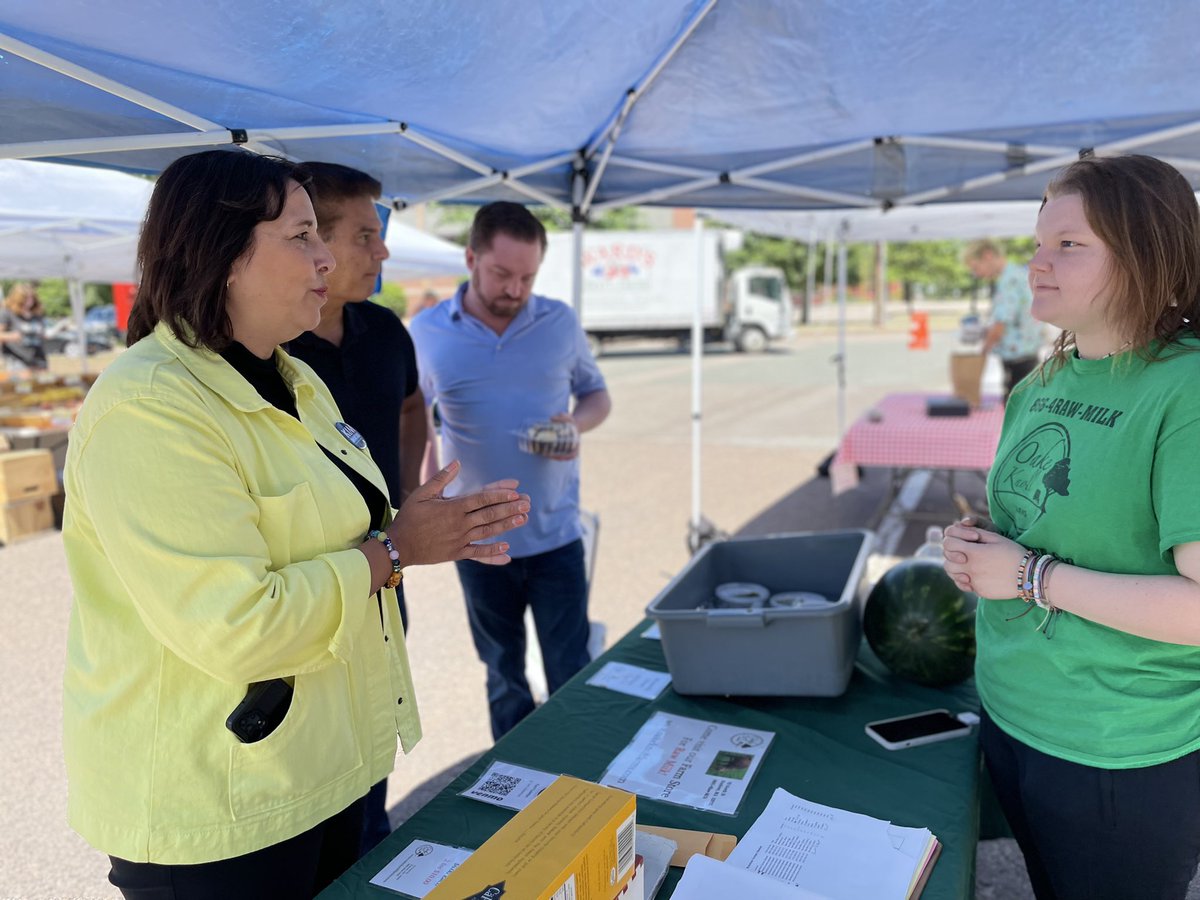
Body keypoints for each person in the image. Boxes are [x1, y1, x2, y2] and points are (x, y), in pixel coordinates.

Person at [61, 149, 530, 900]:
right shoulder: (148, 406)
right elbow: (239, 626)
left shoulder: (294, 378)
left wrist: (407, 533)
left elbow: (345, 528)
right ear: (223, 257)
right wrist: (394, 550)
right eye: (301, 236)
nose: (327, 258)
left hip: (316, 779)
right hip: (217, 811)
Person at [943, 154, 1200, 900]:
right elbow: (1052, 522)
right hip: (1013, 721)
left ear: (1146, 253)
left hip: (1117, 750)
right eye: (1036, 243)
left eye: (1069, 245)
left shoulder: (1184, 389)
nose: (1037, 265)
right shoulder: (1045, 380)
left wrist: (1030, 577)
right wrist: (987, 544)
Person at [409, 201, 612, 741]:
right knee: (504, 677)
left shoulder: (559, 322)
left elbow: (597, 395)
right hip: (476, 540)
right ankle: (517, 789)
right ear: (471, 258)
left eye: (527, 277)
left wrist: (576, 424)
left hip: (556, 536)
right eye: (502, 273)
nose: (515, 289)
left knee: (571, 671)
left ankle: (576, 779)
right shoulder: (427, 332)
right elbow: (414, 419)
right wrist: (424, 496)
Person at [286, 160, 425, 856]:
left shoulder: (385, 329)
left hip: (382, 573)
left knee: (374, 733)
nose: (383, 250)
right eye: (366, 235)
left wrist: (404, 500)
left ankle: (368, 841)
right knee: (313, 761)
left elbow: (410, 405)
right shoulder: (270, 350)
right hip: (305, 599)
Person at [965, 238, 1044, 401]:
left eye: (975, 267)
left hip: (1019, 359)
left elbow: (1001, 324)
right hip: (1028, 354)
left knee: (1013, 405)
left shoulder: (1009, 281)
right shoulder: (1018, 273)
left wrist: (984, 349)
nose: (977, 274)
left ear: (987, 256)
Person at [0, 281, 48, 370]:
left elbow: (43, 333)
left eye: (32, 298)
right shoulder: (7, 313)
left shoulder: (37, 314)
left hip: (38, 358)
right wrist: (10, 336)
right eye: (26, 298)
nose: (29, 302)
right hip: (17, 360)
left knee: (42, 383)